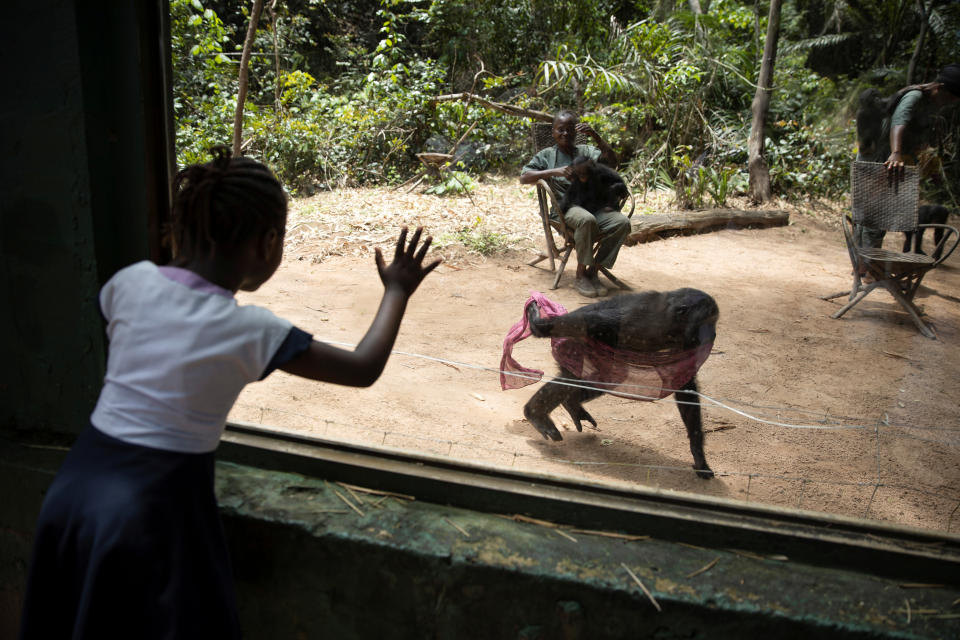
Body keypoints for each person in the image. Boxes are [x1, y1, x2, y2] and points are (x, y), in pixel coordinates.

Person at [18, 146, 440, 640]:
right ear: (267, 244)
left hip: (74, 489)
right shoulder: (248, 329)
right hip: (154, 508)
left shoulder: (127, 283)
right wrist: (396, 290)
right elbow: (363, 367)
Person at [520, 110, 631, 298]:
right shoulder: (547, 155)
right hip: (564, 209)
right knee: (586, 220)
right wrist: (555, 171)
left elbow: (612, 162)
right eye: (560, 130)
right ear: (553, 132)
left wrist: (596, 136)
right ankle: (580, 274)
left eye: (569, 129)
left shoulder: (585, 151)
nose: (565, 134)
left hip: (593, 205)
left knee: (622, 223)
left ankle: (594, 270)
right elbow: (524, 177)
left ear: (576, 132)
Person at [855, 63, 960, 249]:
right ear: (940, 88)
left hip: (893, 162)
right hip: (881, 160)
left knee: (874, 217)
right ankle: (866, 268)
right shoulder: (915, 97)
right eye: (952, 97)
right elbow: (899, 122)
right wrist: (896, 153)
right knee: (873, 218)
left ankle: (864, 266)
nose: (952, 101)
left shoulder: (932, 103)